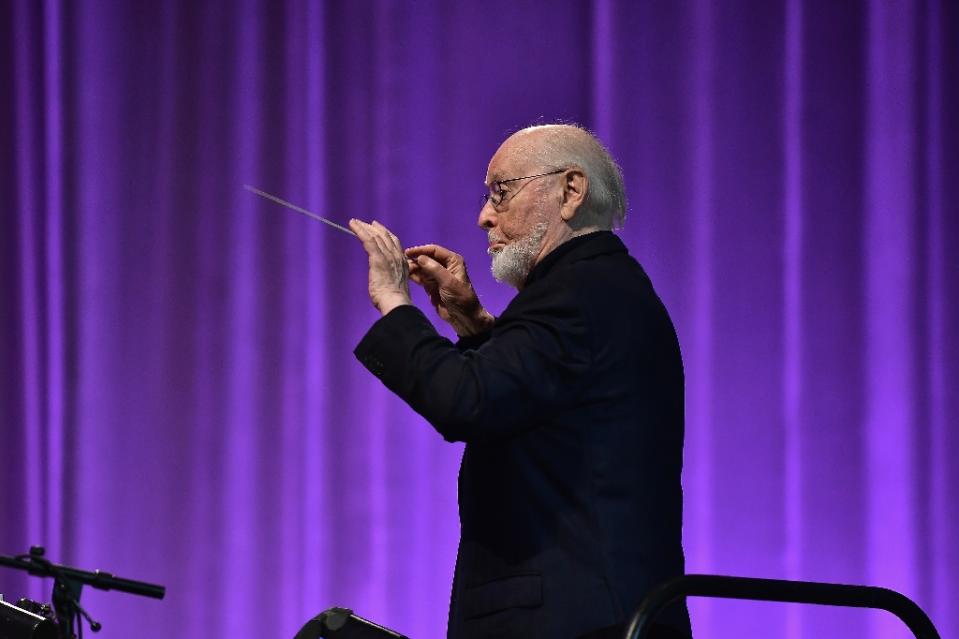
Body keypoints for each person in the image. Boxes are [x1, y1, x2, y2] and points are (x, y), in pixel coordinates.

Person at [348, 124, 691, 639]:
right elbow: (536, 397)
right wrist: (472, 324)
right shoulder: (602, 287)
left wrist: (394, 300)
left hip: (574, 622)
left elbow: (465, 401)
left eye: (501, 192)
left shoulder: (578, 292)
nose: (484, 216)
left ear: (570, 191)